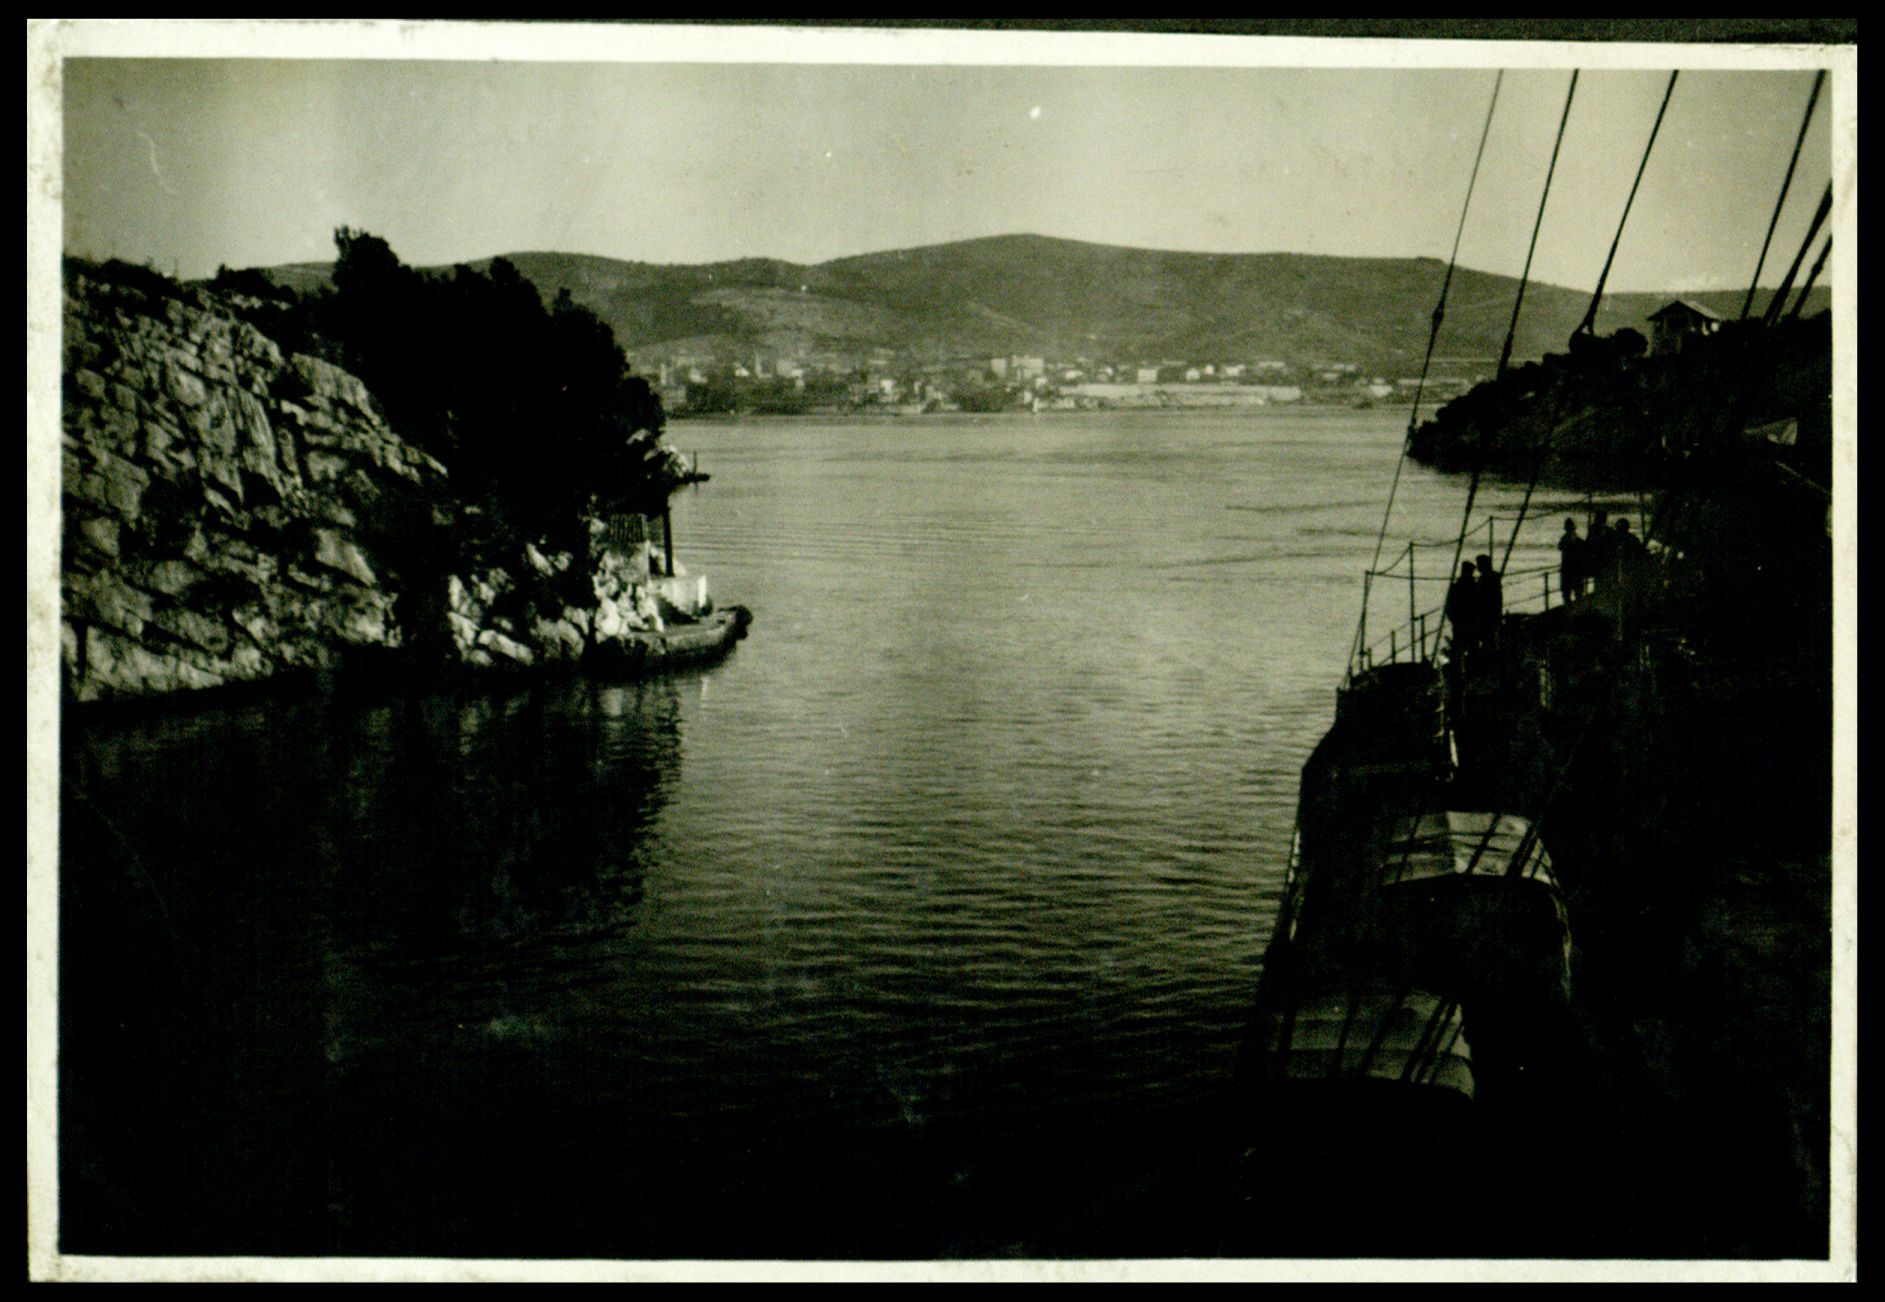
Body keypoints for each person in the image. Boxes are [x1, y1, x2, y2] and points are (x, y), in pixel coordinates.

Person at [1446, 560, 1480, 666]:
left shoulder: (1456, 586)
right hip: (1470, 622)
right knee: (1472, 647)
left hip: (1460, 622)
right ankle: (1472, 667)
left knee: (1459, 647)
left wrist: (1453, 618)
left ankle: (1458, 667)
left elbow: (1449, 605)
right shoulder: (1474, 587)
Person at [1474, 553, 1503, 648]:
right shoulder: (1493, 577)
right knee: (1490, 637)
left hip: (1487, 614)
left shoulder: (1486, 579)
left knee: (1487, 637)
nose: (1477, 567)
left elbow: (1483, 597)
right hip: (1492, 613)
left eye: (1478, 564)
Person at [1557, 517, 1585, 603]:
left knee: (1567, 594)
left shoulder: (1564, 539)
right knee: (1577, 593)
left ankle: (1570, 608)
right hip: (1576, 570)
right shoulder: (1579, 540)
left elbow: (1560, 547)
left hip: (1568, 569)